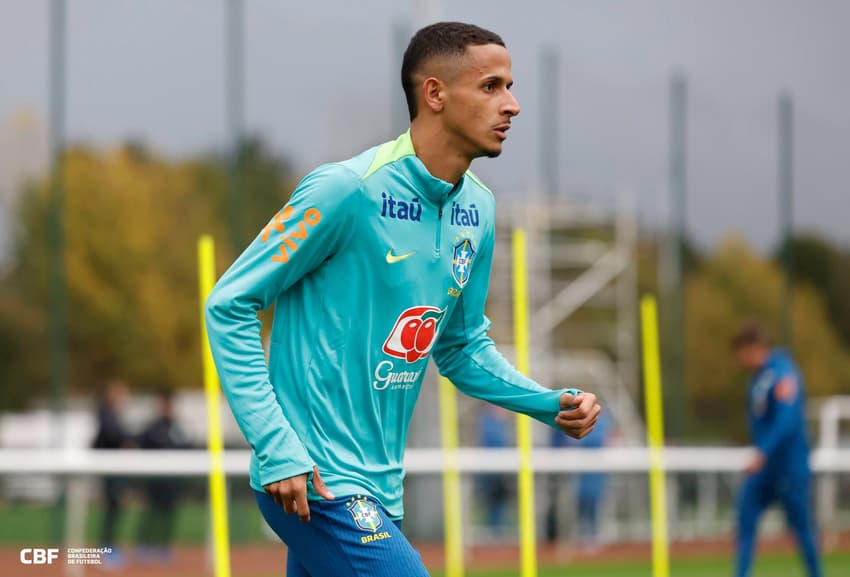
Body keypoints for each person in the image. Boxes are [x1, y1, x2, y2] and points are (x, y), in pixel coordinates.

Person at [205, 21, 602, 577]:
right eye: (491, 86)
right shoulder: (346, 191)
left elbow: (461, 347)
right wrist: (277, 446)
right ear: (435, 93)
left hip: (379, 485)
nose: (511, 105)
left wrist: (546, 403)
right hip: (317, 481)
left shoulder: (478, 211)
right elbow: (229, 305)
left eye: (510, 87)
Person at [732, 322, 822, 577]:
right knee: (745, 521)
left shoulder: (783, 372)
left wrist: (763, 452)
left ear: (754, 348)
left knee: (802, 527)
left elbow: (787, 420)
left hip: (788, 466)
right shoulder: (756, 379)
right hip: (764, 470)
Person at [136, 389, 192, 564]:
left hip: (172, 483)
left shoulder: (178, 428)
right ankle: (144, 546)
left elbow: (188, 448)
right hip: (154, 483)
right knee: (151, 515)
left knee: (168, 516)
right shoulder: (152, 428)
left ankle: (163, 547)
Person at [545, 410, 612, 551]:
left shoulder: (599, 422)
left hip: (591, 477)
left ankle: (591, 539)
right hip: (573, 478)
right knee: (571, 510)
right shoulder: (566, 418)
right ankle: (570, 540)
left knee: (592, 508)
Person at [91, 378, 131, 565]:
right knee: (111, 510)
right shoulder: (106, 415)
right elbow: (114, 436)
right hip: (108, 470)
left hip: (115, 470)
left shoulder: (112, 415)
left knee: (114, 510)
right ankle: (106, 549)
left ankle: (108, 547)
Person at [476, 404, 513, 534]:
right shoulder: (490, 423)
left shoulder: (497, 423)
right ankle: (494, 531)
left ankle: (497, 531)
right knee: (492, 501)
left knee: (499, 502)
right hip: (491, 470)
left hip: (500, 470)